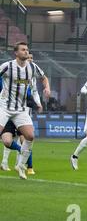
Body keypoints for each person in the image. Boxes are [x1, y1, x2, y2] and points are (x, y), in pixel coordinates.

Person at [0, 42, 50, 179]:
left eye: (27, 50)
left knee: (30, 136)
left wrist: (47, 88)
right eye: (23, 50)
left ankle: (20, 164)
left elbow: (44, 77)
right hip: (4, 107)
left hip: (21, 109)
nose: (26, 52)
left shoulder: (32, 67)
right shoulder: (8, 66)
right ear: (16, 53)